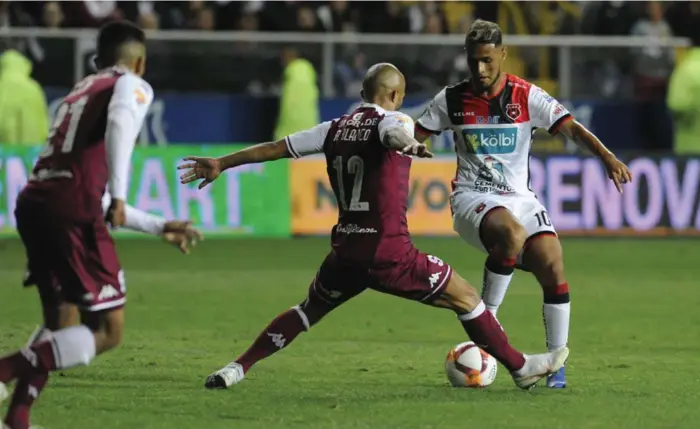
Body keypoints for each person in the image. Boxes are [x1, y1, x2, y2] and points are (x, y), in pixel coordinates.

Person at [178, 63, 568, 392]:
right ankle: (521, 367)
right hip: (391, 253)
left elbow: (276, 148)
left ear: (364, 91)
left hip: (346, 252)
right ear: (396, 96)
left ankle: (237, 368)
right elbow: (393, 133)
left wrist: (222, 163)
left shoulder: (332, 128)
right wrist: (410, 145)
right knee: (468, 300)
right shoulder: (394, 121)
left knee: (306, 311)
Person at [0, 21, 200, 429]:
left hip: (36, 200)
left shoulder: (80, 91)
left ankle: (16, 417)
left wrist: (157, 225)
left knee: (62, 320)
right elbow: (122, 124)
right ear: (139, 61)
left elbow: (86, 182)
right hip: (70, 208)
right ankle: (3, 371)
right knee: (108, 330)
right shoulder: (130, 83)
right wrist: (123, 196)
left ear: (97, 59)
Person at [413, 20, 632, 388]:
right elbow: (415, 136)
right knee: (511, 235)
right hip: (472, 198)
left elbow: (572, 128)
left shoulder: (526, 96)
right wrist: (412, 147)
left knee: (552, 262)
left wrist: (606, 157)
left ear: (502, 54)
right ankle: (487, 324)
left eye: (487, 60)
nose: (480, 70)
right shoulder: (451, 99)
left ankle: (555, 363)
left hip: (521, 198)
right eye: (473, 62)